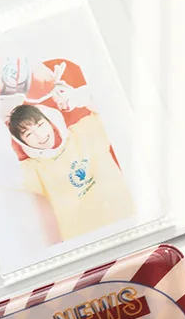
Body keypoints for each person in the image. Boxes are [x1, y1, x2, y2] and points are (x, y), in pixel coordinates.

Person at [7, 97, 136, 243]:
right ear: (22, 142)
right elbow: (0, 179)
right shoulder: (33, 169)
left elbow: (116, 108)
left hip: (130, 224)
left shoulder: (84, 132)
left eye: (40, 125)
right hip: (88, 244)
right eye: (29, 134)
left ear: (50, 121)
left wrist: (81, 97)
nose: (39, 136)